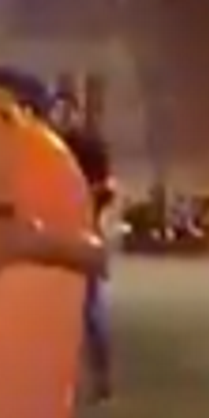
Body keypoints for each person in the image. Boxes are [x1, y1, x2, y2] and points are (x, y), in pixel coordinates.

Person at [60, 116, 115, 403]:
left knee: (91, 309)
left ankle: (98, 374)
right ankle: (97, 375)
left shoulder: (61, 147)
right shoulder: (70, 146)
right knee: (91, 309)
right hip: (80, 232)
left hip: (75, 232)